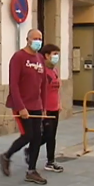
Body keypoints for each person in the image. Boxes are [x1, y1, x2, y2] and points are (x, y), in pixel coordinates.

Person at [0, 29, 48, 185]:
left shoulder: (40, 59)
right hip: (22, 105)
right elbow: (14, 84)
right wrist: (21, 107)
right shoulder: (18, 58)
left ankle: (31, 171)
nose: (38, 41)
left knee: (37, 136)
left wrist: (44, 107)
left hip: (36, 104)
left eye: (40, 38)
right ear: (28, 39)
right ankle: (6, 156)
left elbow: (43, 84)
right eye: (35, 38)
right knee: (28, 135)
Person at [24, 44, 64, 173]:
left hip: (54, 108)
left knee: (52, 135)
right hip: (45, 109)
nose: (56, 57)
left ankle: (50, 161)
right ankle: (31, 150)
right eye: (54, 54)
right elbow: (39, 91)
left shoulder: (55, 71)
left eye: (57, 54)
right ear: (46, 56)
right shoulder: (42, 72)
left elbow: (56, 90)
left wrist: (59, 104)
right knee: (47, 135)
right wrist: (42, 108)